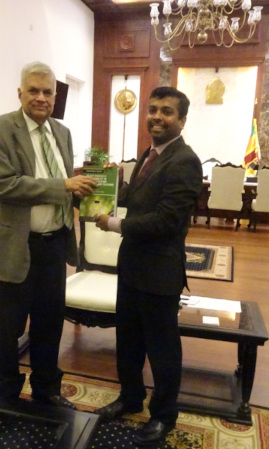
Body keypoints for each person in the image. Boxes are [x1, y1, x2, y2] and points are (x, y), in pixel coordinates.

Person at [0, 61, 97, 408]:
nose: (41, 97)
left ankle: (47, 389)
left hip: (54, 245)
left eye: (47, 92)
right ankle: (9, 391)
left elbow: (64, 187)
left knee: (49, 324)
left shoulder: (62, 132)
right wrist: (63, 185)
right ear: (20, 93)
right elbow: (6, 186)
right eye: (33, 90)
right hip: (17, 246)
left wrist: (88, 194)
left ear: (55, 96)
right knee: (10, 326)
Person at [95, 87, 202, 445]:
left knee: (162, 349)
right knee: (128, 342)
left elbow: (167, 221)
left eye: (167, 112)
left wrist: (114, 225)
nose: (157, 116)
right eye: (153, 109)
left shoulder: (185, 160)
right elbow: (138, 203)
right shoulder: (149, 154)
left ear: (182, 120)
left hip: (160, 273)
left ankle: (164, 415)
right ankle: (130, 398)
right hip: (132, 268)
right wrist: (117, 185)